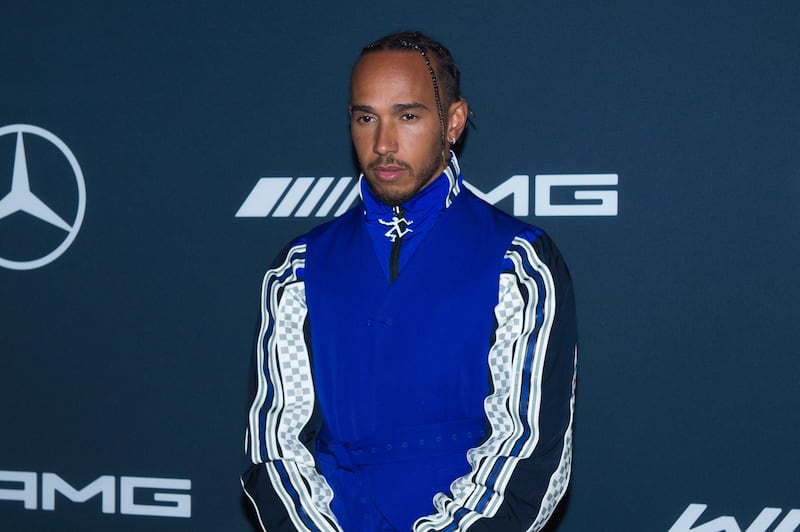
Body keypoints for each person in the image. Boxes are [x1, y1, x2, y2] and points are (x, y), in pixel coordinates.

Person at [242, 31, 577, 532]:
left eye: (409, 115)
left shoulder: (520, 262)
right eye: (365, 117)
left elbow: (529, 454)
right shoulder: (298, 268)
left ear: (454, 122)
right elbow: (275, 445)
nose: (383, 144)